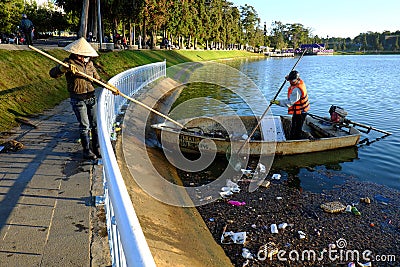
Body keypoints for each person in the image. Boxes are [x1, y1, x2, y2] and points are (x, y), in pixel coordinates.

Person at [49, 37, 119, 160]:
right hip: (78, 99)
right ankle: (86, 151)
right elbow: (53, 73)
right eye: (83, 55)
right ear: (77, 54)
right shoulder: (69, 63)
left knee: (95, 124)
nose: (86, 57)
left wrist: (110, 87)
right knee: (85, 125)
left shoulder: (90, 64)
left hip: (91, 97)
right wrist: (63, 69)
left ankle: (96, 148)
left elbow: (97, 79)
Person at [270, 70, 310, 140]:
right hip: (298, 111)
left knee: (297, 129)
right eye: (290, 80)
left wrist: (277, 102)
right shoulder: (298, 81)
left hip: (301, 112)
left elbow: (289, 103)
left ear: (296, 79)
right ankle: (292, 139)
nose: (291, 82)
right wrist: (288, 78)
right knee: (293, 126)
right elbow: (292, 78)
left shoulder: (297, 90)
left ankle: (295, 142)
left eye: (292, 80)